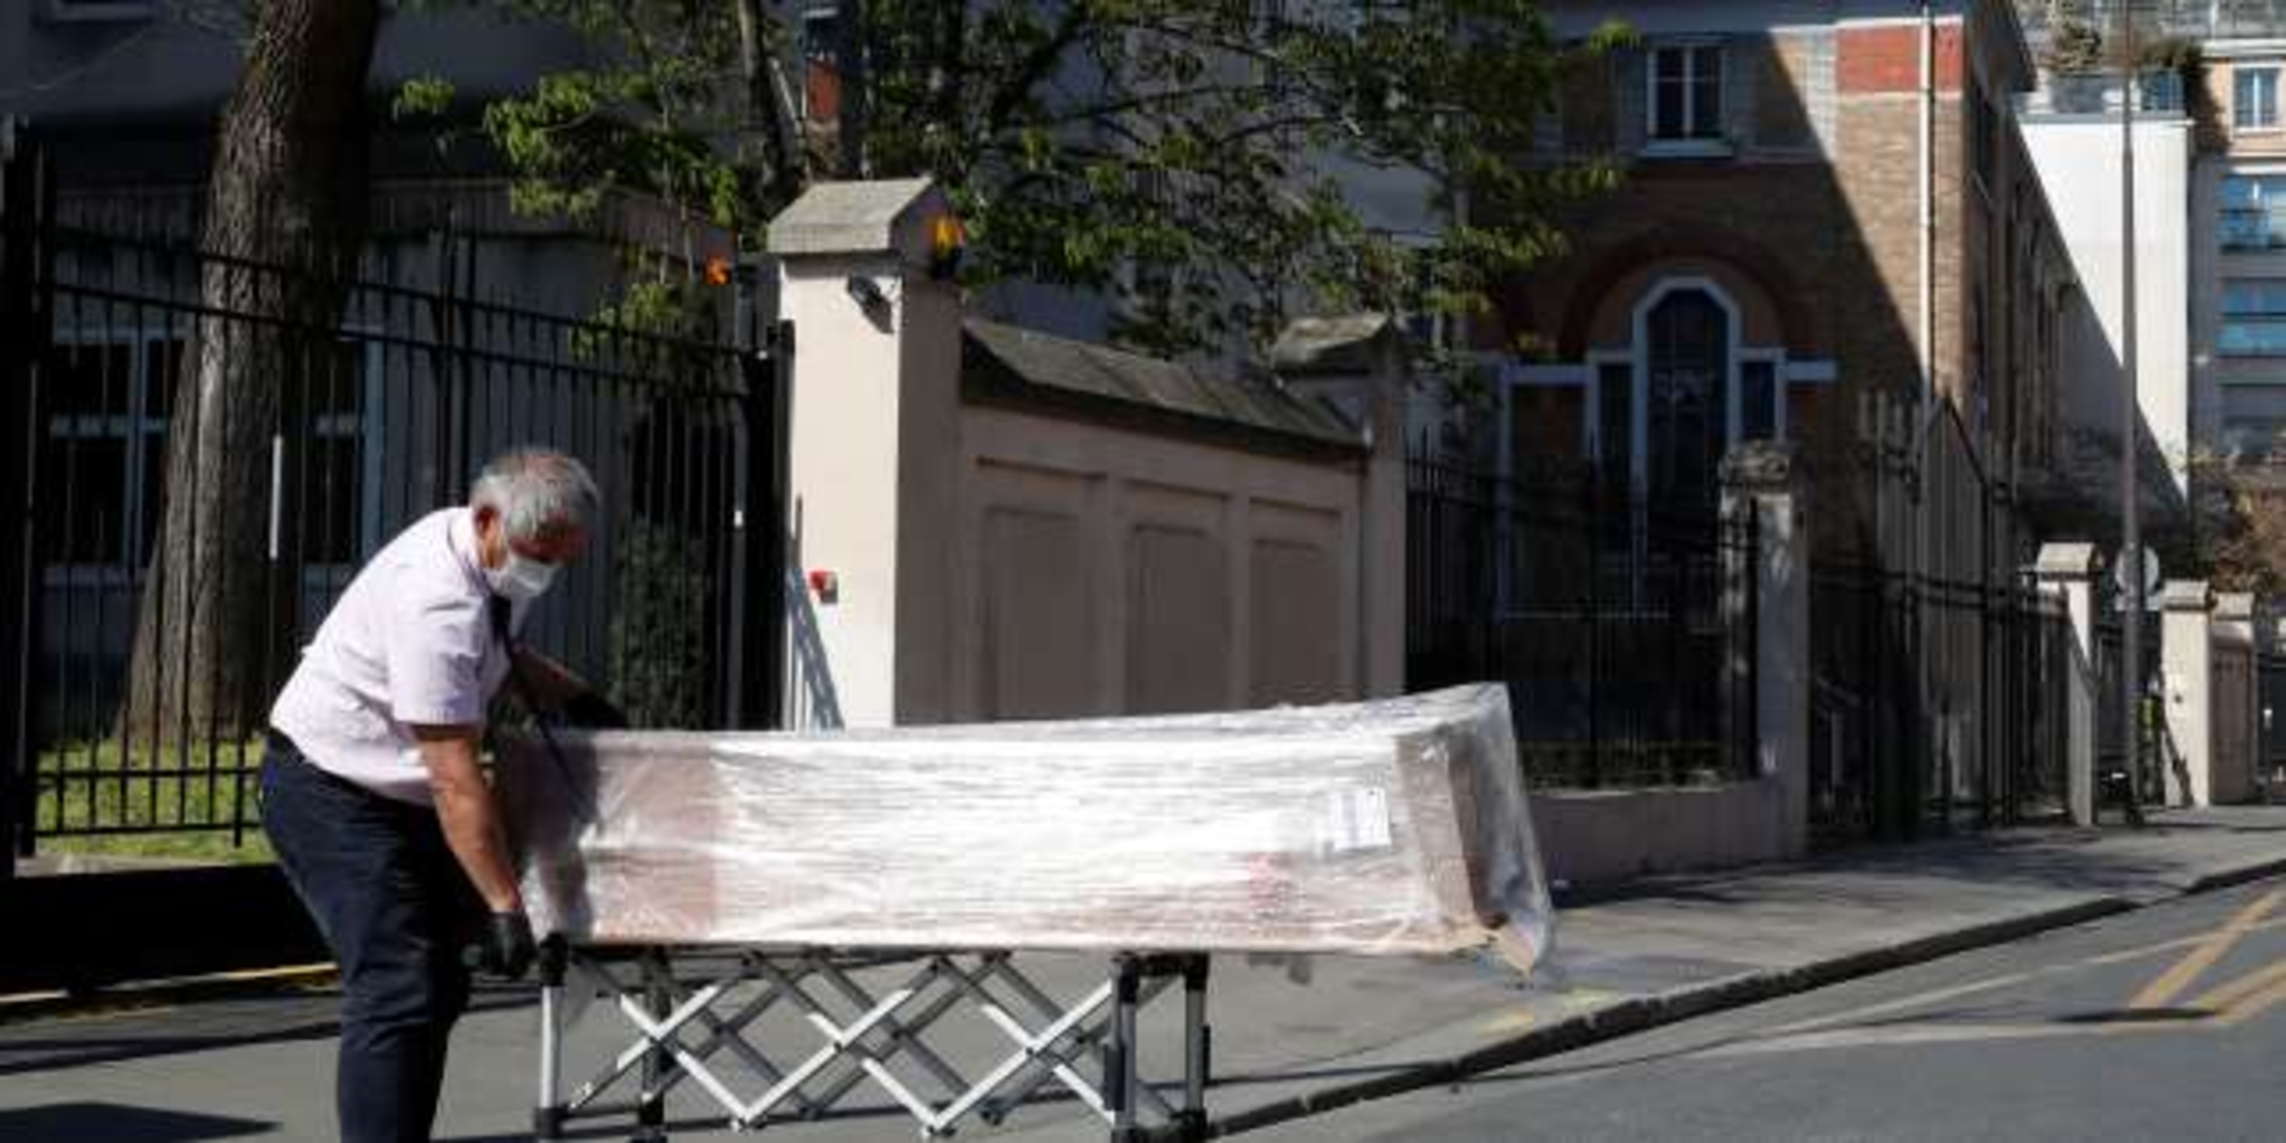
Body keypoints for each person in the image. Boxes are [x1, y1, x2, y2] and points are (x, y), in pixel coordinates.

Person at [262, 447, 613, 1143]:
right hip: (331, 789)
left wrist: (578, 697)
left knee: (439, 985)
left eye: (562, 559)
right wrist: (504, 905)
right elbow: (455, 775)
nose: (547, 571)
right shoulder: (434, 599)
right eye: (540, 554)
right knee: (398, 986)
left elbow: (495, 654)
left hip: (394, 788)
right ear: (488, 520)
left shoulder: (486, 557)